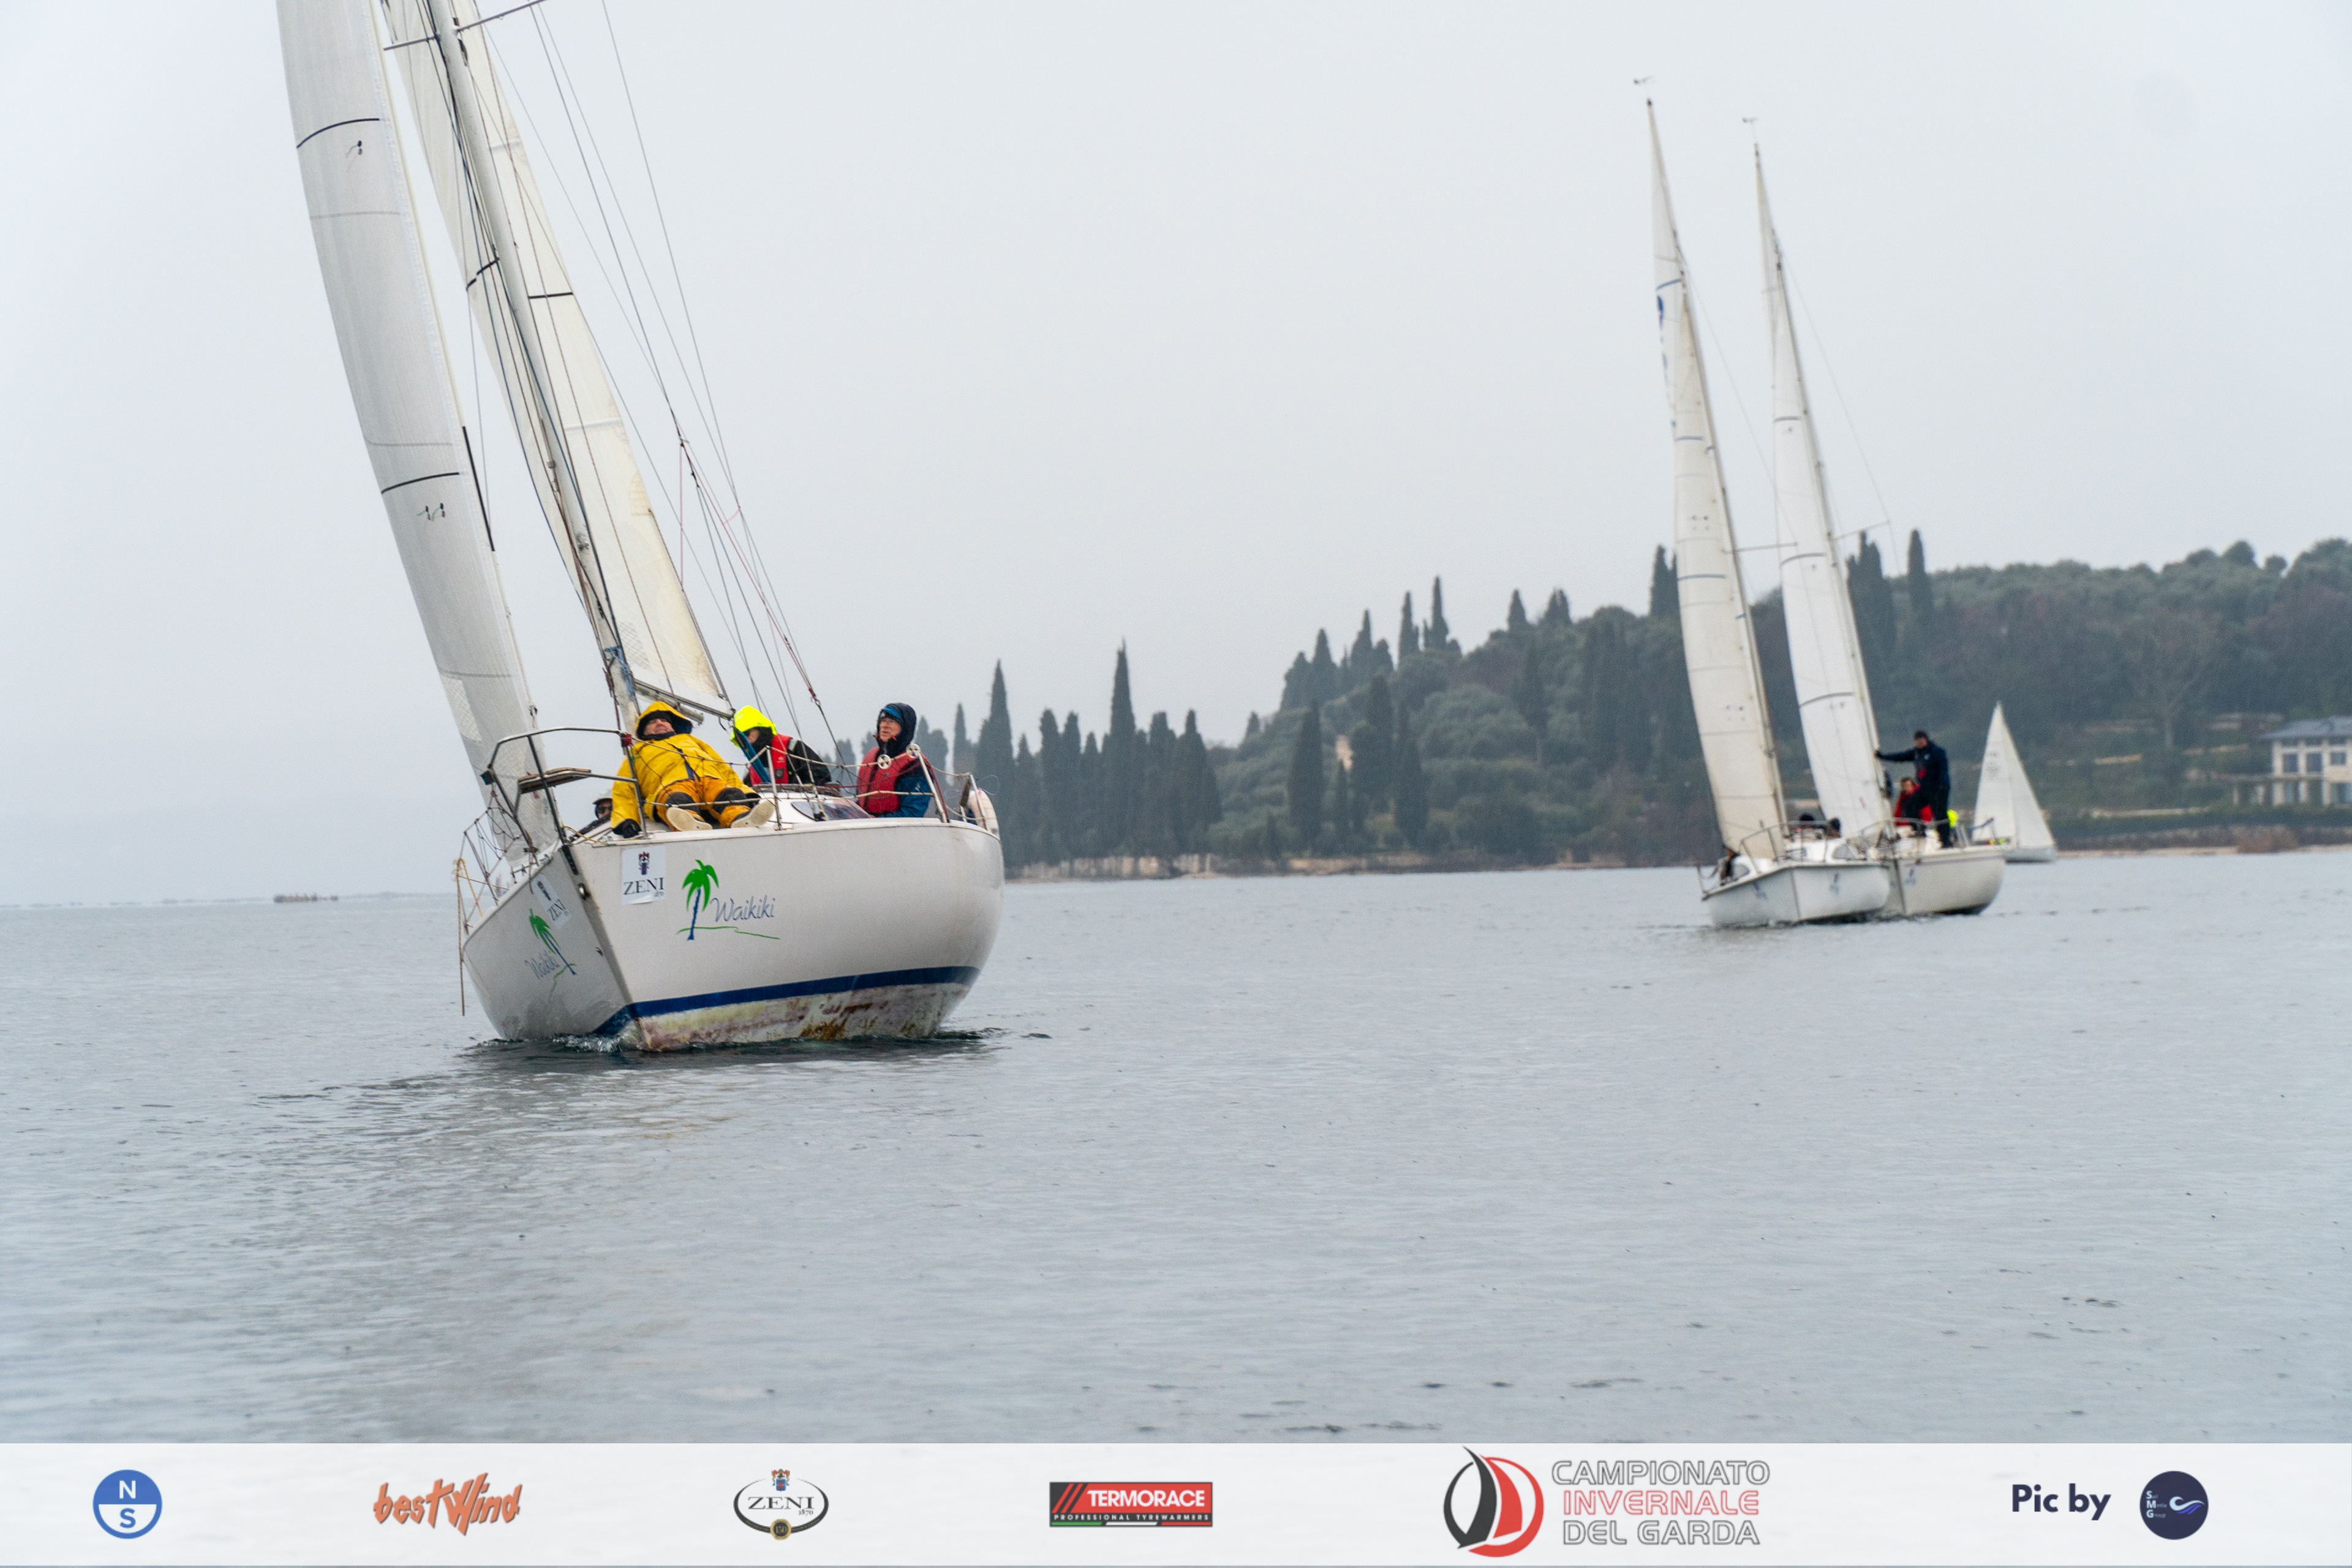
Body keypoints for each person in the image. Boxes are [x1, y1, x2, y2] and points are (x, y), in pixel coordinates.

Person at [609, 702, 775, 837]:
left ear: (672, 725)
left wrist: (746, 793)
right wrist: (626, 820)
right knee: (676, 799)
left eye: (664, 720)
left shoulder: (693, 741)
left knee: (729, 794)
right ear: (643, 731)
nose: (659, 723)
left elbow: (724, 769)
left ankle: (741, 818)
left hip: (710, 781)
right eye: (653, 722)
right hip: (672, 787)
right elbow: (625, 790)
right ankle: (690, 823)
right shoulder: (637, 752)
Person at [854, 702, 935, 820]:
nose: (885, 726)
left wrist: (876, 821)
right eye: (883, 721)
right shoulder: (872, 759)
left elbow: (913, 814)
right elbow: (861, 802)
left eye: (892, 722)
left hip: (896, 833)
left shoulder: (914, 767)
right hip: (864, 830)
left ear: (905, 728)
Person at [1878, 729, 1954, 846]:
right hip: (1925, 789)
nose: (1920, 743)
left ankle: (1946, 842)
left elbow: (1944, 770)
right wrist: (1883, 757)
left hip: (1938, 789)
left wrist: (1942, 786)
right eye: (1917, 741)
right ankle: (1920, 830)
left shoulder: (1937, 752)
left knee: (1939, 815)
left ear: (1926, 740)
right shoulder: (1916, 753)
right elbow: (1901, 757)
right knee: (1909, 806)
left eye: (1922, 740)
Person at [729, 706, 828, 790]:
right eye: (741, 738)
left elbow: (822, 776)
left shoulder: (793, 749)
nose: (746, 739)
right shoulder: (753, 770)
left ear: (760, 729)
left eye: (747, 733)